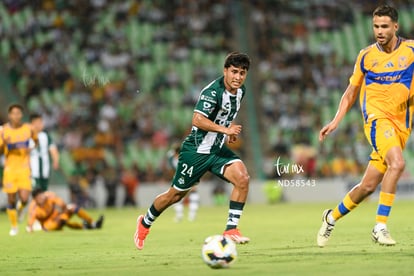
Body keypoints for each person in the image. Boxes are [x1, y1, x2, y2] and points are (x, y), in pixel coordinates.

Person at [317, 5, 414, 247]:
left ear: (395, 27)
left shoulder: (411, 50)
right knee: (398, 163)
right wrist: (336, 120)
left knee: (367, 186)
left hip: (402, 126)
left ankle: (331, 217)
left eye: (384, 26)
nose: (379, 31)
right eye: (375, 26)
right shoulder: (366, 56)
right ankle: (380, 226)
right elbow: (351, 92)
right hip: (377, 119)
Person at [134, 52, 251, 250]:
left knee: (243, 178)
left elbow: (225, 115)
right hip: (196, 150)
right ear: (225, 71)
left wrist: (228, 132)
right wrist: (226, 130)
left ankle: (231, 230)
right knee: (175, 195)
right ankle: (144, 223)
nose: (238, 77)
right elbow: (197, 119)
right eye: (234, 72)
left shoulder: (241, 91)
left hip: (217, 149)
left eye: (242, 73)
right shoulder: (212, 92)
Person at [0, 104, 38, 236]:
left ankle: (20, 210)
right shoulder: (3, 130)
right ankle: (14, 226)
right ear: (9, 115)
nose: (16, 116)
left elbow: (35, 141)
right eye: (13, 113)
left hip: (24, 168)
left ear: (22, 115)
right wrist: (5, 144)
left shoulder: (28, 128)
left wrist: (31, 148)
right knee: (11, 199)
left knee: (24, 198)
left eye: (18, 113)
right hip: (10, 169)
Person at [26, 187, 104, 232]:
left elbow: (62, 204)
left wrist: (65, 209)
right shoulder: (34, 208)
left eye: (41, 195)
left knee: (72, 207)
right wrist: (30, 228)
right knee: (61, 221)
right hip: (49, 225)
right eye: (39, 197)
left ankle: (92, 223)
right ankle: (86, 226)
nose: (42, 198)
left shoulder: (49, 196)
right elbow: (30, 224)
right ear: (35, 199)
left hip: (58, 216)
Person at [167, 142, 200, 222]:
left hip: (190, 175)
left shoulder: (188, 157)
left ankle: (192, 215)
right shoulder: (171, 157)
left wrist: (194, 181)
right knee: (176, 195)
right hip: (179, 177)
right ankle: (179, 215)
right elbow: (171, 170)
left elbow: (195, 168)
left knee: (193, 193)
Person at [29, 113, 60, 191]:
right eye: (37, 123)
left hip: (45, 169)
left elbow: (53, 149)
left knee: (43, 192)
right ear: (31, 123)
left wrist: (55, 161)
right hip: (32, 169)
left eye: (40, 122)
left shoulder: (46, 136)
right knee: (35, 192)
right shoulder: (27, 135)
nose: (39, 125)